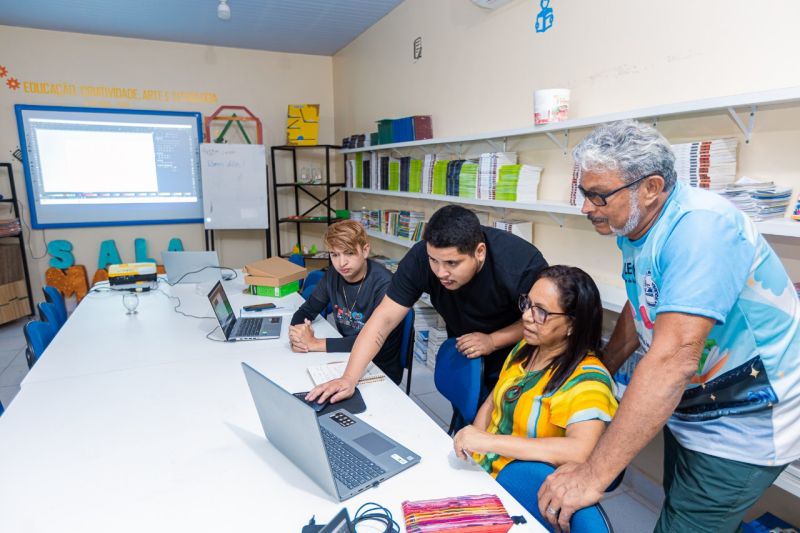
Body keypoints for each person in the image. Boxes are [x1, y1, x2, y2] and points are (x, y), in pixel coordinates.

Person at [538, 120, 800, 533]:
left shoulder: (701, 230)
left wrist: (593, 475)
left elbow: (673, 361)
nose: (586, 207)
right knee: (681, 504)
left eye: (597, 195)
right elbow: (642, 298)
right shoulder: (634, 223)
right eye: (583, 193)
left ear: (651, 187)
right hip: (695, 404)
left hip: (744, 421)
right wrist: (601, 369)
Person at [307, 204, 548, 405]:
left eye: (452, 263)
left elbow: (542, 321)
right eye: (434, 260)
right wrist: (349, 378)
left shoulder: (520, 263)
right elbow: (383, 319)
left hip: (519, 352)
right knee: (467, 413)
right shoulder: (420, 258)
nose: (441, 273)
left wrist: (493, 341)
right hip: (466, 346)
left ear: (480, 252)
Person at [453, 265, 617, 479]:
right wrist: (473, 451)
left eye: (541, 311)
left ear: (572, 325)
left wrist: (489, 442)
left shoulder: (588, 381)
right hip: (484, 469)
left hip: (517, 485)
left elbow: (582, 451)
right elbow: (493, 400)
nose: (527, 317)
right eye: (527, 304)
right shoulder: (526, 348)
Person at [288, 220, 403, 384]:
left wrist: (314, 343)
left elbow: (370, 339)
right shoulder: (332, 275)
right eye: (334, 255)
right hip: (344, 356)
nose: (341, 263)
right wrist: (297, 337)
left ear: (365, 251)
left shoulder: (385, 284)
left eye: (349, 253)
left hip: (377, 365)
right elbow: (307, 310)